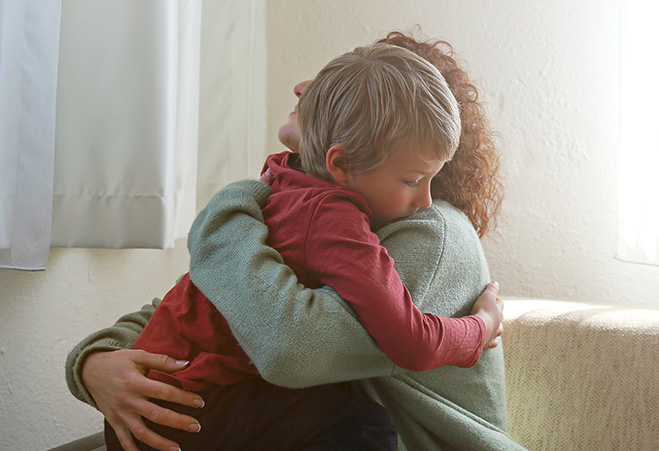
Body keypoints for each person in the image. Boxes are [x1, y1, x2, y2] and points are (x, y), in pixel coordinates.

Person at [66, 32, 526, 451]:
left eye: (332, 91)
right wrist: (95, 364)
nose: (302, 88)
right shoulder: (302, 201)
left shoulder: (429, 230)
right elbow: (201, 306)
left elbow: (293, 350)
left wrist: (227, 211)